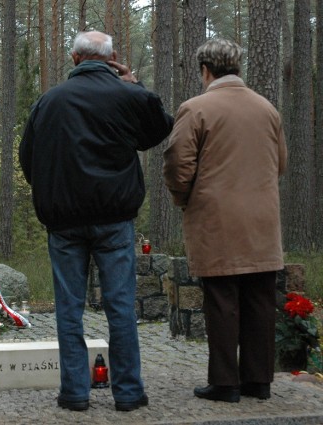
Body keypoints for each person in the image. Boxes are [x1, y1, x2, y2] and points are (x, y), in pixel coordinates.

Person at [19, 30, 174, 412]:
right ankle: (128, 392)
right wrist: (135, 84)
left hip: (64, 222)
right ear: (112, 58)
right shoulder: (129, 96)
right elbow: (160, 128)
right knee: (120, 305)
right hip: (114, 219)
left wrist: (54, 193)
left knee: (68, 308)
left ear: (74, 59)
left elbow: (28, 159)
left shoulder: (49, 102)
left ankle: (74, 392)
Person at [163, 38, 287, 403]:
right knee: (261, 302)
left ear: (205, 69)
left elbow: (176, 164)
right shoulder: (267, 109)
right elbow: (280, 163)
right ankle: (259, 381)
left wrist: (184, 199)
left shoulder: (196, 108)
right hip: (262, 221)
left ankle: (225, 383)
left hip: (216, 219)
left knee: (221, 301)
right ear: (237, 67)